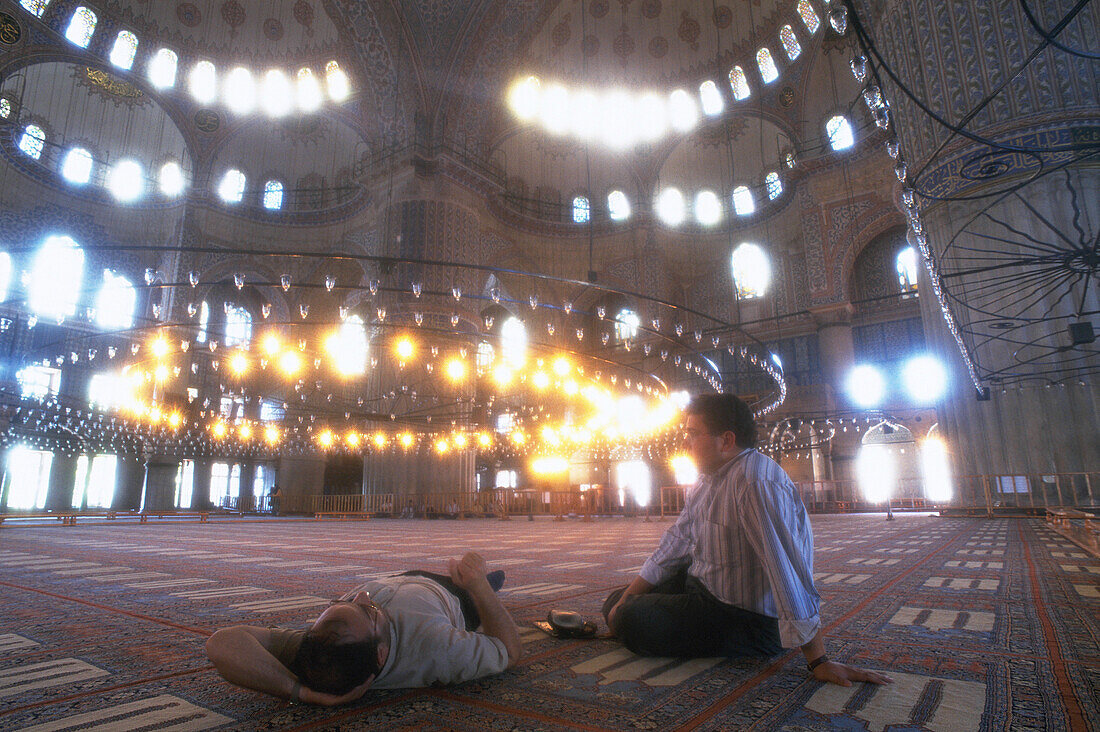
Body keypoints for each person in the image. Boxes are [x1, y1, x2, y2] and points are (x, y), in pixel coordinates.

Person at [603, 393, 892, 688]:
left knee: (630, 618)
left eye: (692, 434)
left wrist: (818, 660)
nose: (685, 443)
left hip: (742, 617)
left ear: (726, 441)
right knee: (616, 602)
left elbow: (786, 568)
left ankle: (753, 643)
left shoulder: (755, 483)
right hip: (706, 588)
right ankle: (628, 611)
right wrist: (626, 598)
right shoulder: (707, 477)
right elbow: (676, 542)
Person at [206, 552, 522, 706]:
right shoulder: (436, 647)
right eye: (366, 610)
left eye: (341, 602)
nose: (361, 595)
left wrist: (299, 692)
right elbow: (509, 651)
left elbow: (222, 643)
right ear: (382, 655)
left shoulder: (324, 651)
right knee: (493, 581)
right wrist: (478, 586)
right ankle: (492, 582)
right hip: (451, 594)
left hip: (401, 577)